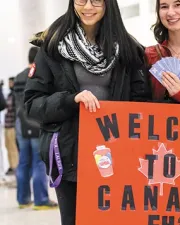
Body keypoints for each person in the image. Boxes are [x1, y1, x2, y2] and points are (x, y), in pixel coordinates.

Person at [24, 0, 151, 224]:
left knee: (113, 219)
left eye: (96, 1)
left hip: (115, 153)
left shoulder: (129, 48)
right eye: (81, 0)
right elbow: (32, 104)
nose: (88, 7)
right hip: (68, 153)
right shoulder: (53, 45)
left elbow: (141, 101)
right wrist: (70, 99)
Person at [14, 47, 58, 209]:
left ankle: (22, 199)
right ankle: (41, 200)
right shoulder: (37, 74)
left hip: (20, 123)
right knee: (39, 162)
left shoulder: (19, 76)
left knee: (23, 162)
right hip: (35, 122)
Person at [4, 77, 19, 175]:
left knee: (13, 148)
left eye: (11, 82)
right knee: (8, 146)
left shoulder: (15, 95)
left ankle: (15, 167)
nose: (10, 84)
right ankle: (11, 165)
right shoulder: (10, 94)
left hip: (12, 126)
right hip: (7, 125)